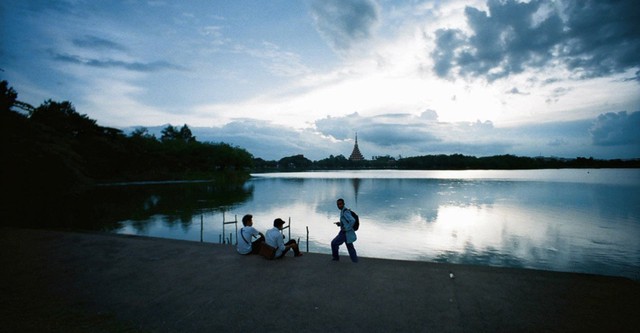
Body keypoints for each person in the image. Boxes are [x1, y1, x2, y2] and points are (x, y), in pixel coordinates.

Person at [331, 198, 358, 262]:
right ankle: (355, 261)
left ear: (343, 204)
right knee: (350, 247)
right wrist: (340, 224)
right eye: (338, 204)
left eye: (340, 204)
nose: (339, 206)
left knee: (334, 243)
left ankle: (336, 258)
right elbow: (347, 221)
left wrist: (346, 228)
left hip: (345, 232)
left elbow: (352, 220)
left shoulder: (345, 212)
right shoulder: (343, 211)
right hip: (347, 232)